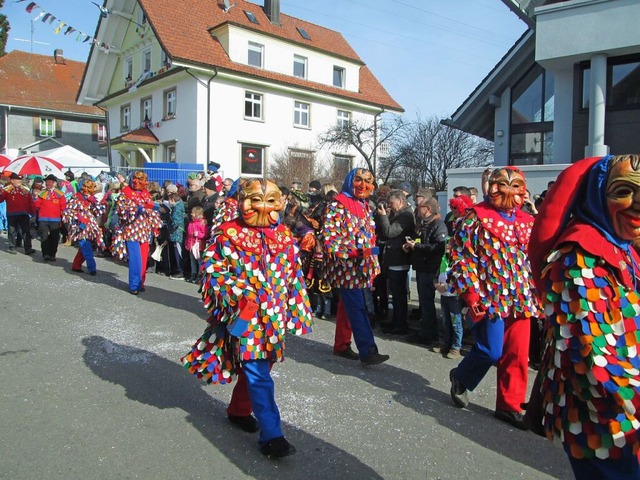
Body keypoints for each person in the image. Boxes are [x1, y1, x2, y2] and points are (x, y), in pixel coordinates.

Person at [181, 178, 313, 458]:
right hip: (245, 315)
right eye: (255, 199)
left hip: (274, 318)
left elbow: (294, 275)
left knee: (261, 367)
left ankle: (239, 410)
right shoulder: (228, 233)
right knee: (258, 372)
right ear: (242, 200)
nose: (263, 206)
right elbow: (212, 271)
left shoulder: (285, 236)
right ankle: (272, 436)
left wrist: (296, 308)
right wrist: (238, 294)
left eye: (270, 200)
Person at [528, 154, 640, 480]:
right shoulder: (579, 256)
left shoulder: (623, 247)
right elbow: (591, 356)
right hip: (601, 418)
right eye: (623, 191)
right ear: (598, 193)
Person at [448, 167, 540, 430]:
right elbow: (461, 258)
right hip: (490, 296)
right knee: (491, 350)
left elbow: (537, 258)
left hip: (522, 297)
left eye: (515, 185)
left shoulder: (528, 222)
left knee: (518, 354)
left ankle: (509, 406)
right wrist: (471, 292)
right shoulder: (474, 219)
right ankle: (461, 376)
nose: (507, 191)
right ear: (491, 186)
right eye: (501, 184)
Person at [322, 167, 389, 365]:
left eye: (368, 181)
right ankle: (368, 351)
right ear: (350, 180)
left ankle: (341, 345)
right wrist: (353, 252)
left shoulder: (366, 206)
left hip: (362, 267)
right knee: (359, 307)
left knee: (347, 307)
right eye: (359, 180)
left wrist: (370, 256)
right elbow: (330, 238)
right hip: (346, 267)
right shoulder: (338, 205)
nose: (363, 185)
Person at [404, 196, 447, 346]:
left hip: (430, 268)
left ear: (427, 209)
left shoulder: (438, 225)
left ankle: (429, 334)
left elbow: (438, 247)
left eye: (420, 206)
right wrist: (411, 245)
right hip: (422, 267)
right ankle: (426, 331)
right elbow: (423, 241)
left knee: (427, 302)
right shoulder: (424, 224)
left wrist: (417, 247)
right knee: (424, 301)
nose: (417, 209)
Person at [111, 171, 162, 295]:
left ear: (145, 182)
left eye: (140, 180)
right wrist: (136, 209)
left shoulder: (146, 194)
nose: (137, 183)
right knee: (135, 258)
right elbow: (121, 211)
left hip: (144, 231)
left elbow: (151, 211)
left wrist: (154, 223)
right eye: (135, 180)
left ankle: (140, 283)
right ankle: (134, 285)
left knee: (144, 258)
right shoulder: (125, 193)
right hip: (131, 231)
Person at [376, 189, 415, 335]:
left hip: (399, 259)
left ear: (400, 201)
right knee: (396, 294)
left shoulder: (406, 215)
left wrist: (384, 216)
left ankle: (400, 325)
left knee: (399, 295)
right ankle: (395, 322)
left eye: (392, 203)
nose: (390, 206)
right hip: (393, 259)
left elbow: (389, 232)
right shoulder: (398, 213)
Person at [63, 179, 106, 275]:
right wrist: (79, 218)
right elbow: (67, 212)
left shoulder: (92, 199)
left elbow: (98, 212)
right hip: (80, 228)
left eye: (89, 188)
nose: (86, 189)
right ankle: (92, 268)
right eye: (85, 187)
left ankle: (76, 265)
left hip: (90, 228)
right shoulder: (76, 198)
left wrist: (97, 203)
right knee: (86, 247)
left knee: (85, 247)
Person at [0, 173, 34, 255]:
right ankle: (12, 247)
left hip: (24, 213)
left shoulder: (25, 190)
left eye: (20, 179)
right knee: (12, 231)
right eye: (17, 179)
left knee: (26, 231)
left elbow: (30, 202)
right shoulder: (7, 189)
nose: (19, 181)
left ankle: (28, 248)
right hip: (12, 213)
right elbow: (1, 199)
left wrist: (32, 212)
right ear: (12, 180)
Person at [35, 174, 67, 261]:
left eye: (49, 182)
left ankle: (52, 254)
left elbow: (63, 207)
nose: (47, 183)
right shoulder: (42, 193)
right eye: (46, 182)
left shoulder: (60, 194)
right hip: (43, 219)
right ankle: (45, 254)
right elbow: (37, 205)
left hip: (55, 219)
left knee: (54, 237)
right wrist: (35, 197)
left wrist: (64, 217)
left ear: (54, 183)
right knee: (44, 237)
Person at [184, 205, 207, 283]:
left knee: (199, 260)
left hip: (198, 245)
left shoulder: (202, 223)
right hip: (191, 244)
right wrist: (187, 243)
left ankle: (199, 275)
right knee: (192, 260)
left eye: (193, 213)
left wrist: (199, 234)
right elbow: (188, 234)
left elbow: (205, 234)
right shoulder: (191, 222)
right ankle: (193, 274)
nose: (191, 214)